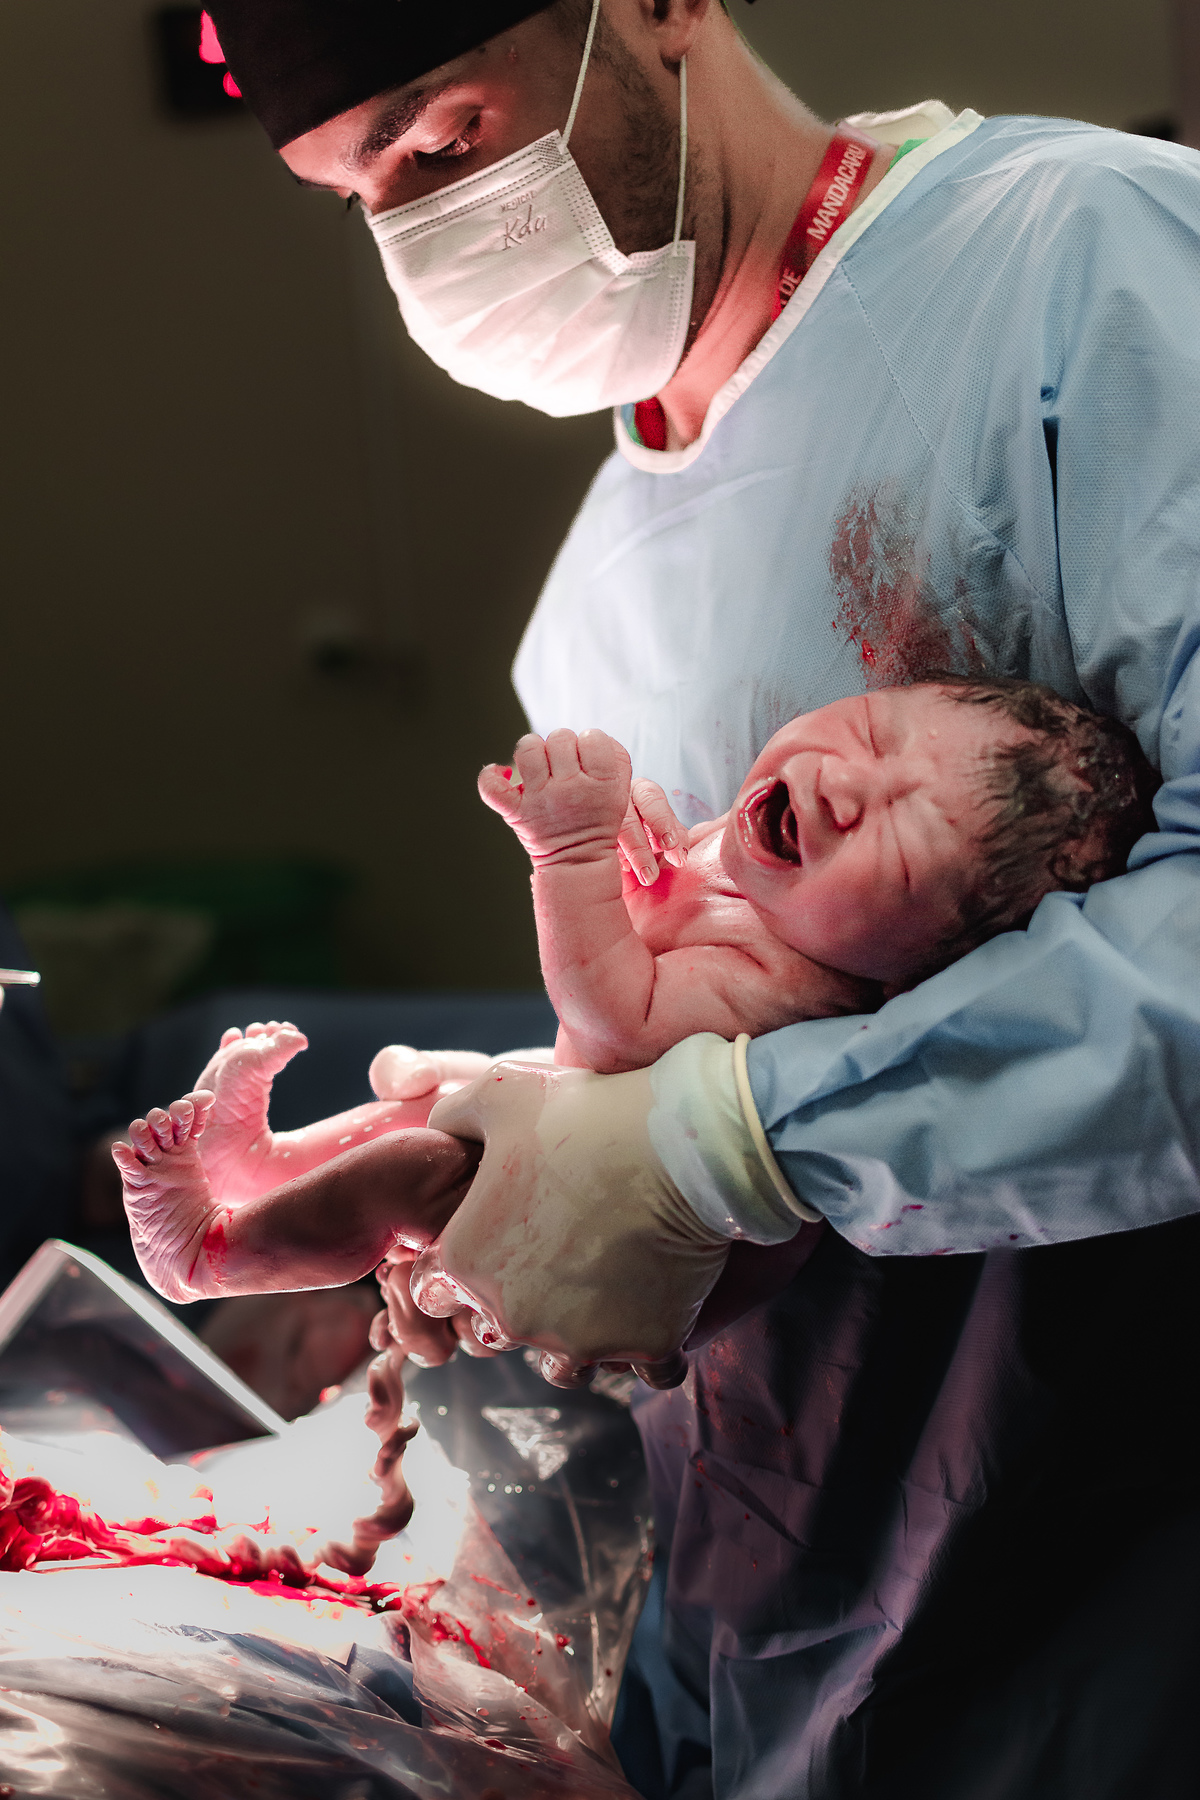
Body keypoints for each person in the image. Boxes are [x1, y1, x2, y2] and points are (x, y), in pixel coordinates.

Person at [199, 0, 1200, 1792]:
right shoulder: (589, 605)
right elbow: (697, 1050)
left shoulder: (1092, 267)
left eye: (438, 137)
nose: (412, 227)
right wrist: (526, 1176)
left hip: (1105, 1584)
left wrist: (726, 1140)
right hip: (782, 1626)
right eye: (351, 190)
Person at [115, 676, 1153, 1331]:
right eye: (876, 731)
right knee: (411, 1114)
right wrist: (636, 846)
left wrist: (567, 856)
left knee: (412, 1167)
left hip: (587, 1214)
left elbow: (619, 1013)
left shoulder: (800, 985)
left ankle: (211, 1257)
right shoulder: (767, 873)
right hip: (559, 1113)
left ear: (913, 967)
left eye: (898, 838)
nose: (845, 784)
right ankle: (258, 1169)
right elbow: (660, 914)